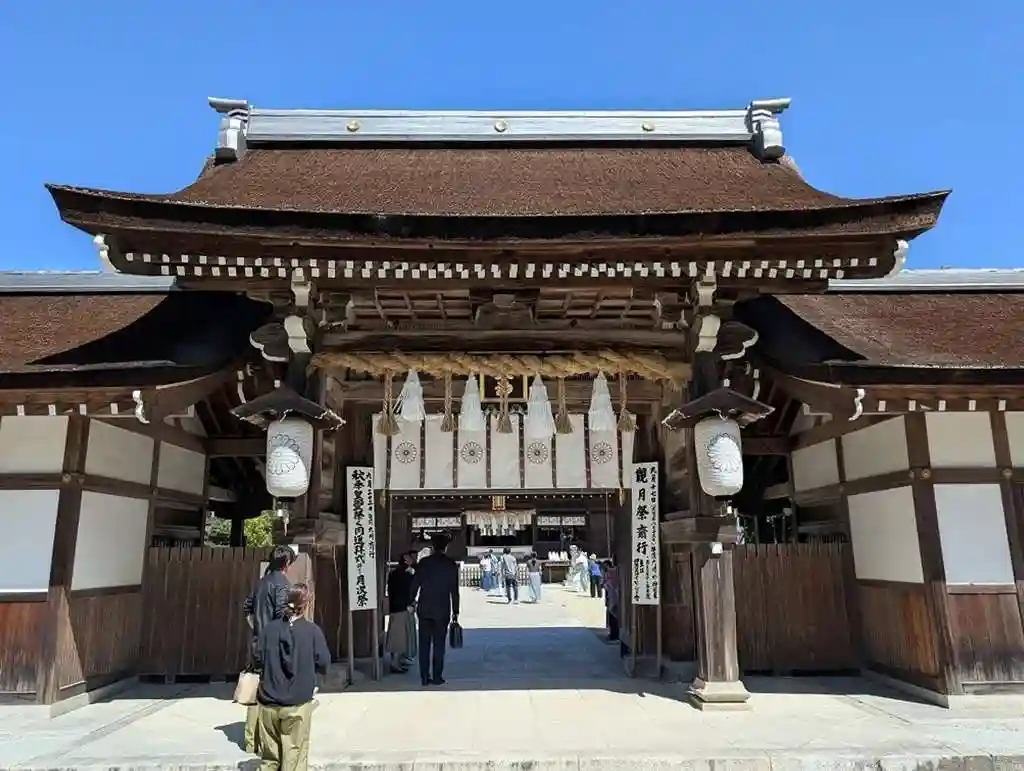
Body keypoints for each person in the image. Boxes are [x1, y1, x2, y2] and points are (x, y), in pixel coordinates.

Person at [254, 583, 329, 771]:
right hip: (297, 702)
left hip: (268, 700)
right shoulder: (312, 631)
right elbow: (323, 661)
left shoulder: (269, 630)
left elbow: (257, 659)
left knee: (269, 759)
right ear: (306, 604)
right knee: (294, 756)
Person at [242, 545, 295, 754]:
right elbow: (282, 615)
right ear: (286, 563)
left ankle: (250, 740)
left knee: (257, 691)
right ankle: (267, 741)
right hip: (274, 645)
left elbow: (247, 607)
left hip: (258, 643)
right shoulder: (282, 584)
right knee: (271, 693)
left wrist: (257, 628)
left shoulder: (261, 582)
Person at [411, 534, 460, 686]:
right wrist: (455, 611)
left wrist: (411, 600)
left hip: (424, 607)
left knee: (424, 644)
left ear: (432, 546)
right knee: (439, 644)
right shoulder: (450, 564)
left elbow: (415, 584)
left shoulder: (424, 563)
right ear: (446, 547)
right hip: (442, 608)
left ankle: (424, 677)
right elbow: (454, 591)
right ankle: (437, 676)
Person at [385, 553, 415, 673]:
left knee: (395, 635)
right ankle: (395, 663)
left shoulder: (392, 574)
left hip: (394, 608)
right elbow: (409, 592)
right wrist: (410, 604)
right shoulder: (407, 576)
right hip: (402, 608)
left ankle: (396, 660)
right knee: (400, 637)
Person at [603, 558, 620, 643]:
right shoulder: (611, 575)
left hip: (614, 600)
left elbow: (608, 586)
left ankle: (614, 635)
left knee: (614, 618)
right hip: (610, 599)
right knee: (612, 619)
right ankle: (612, 634)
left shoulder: (612, 574)